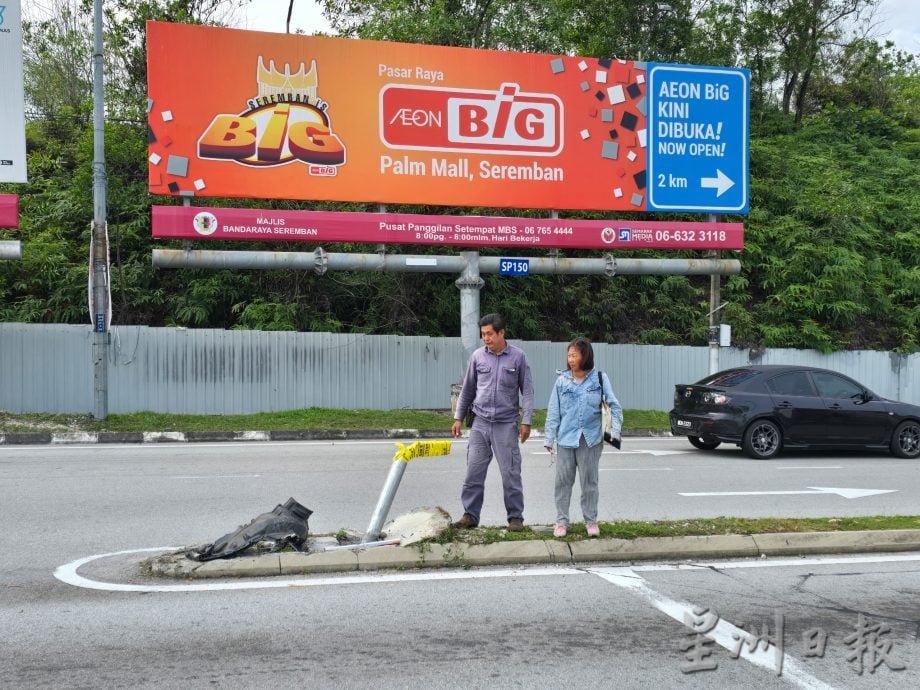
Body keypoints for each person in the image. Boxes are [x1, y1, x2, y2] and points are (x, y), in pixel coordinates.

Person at [451, 313, 534, 532]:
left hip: (506, 425)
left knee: (510, 473)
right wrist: (458, 418)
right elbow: (467, 389)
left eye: (489, 334)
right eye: (483, 334)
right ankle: (470, 515)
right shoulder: (478, 357)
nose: (486, 338)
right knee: (474, 472)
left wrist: (526, 421)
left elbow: (527, 391)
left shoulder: (518, 357)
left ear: (501, 333)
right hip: (480, 423)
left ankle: (515, 518)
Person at [543, 337, 622, 538]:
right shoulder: (562, 381)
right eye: (569, 355)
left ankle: (591, 521)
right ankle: (561, 521)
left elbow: (614, 406)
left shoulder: (600, 379)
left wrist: (614, 432)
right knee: (562, 482)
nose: (570, 359)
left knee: (590, 482)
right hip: (565, 439)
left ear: (585, 356)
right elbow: (554, 411)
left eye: (574, 355)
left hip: (591, 440)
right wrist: (549, 439)